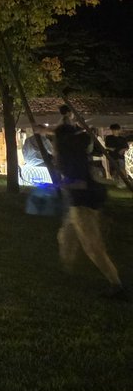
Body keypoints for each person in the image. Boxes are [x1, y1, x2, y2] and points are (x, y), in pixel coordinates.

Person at [55, 106, 125, 299]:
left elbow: (80, 183)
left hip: (84, 202)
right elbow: (64, 127)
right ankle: (67, 269)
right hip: (80, 201)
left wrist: (59, 183)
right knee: (66, 235)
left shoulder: (70, 159)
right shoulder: (73, 153)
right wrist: (65, 115)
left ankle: (115, 284)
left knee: (93, 246)